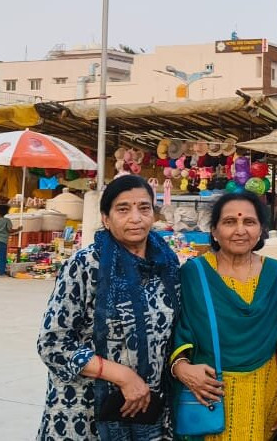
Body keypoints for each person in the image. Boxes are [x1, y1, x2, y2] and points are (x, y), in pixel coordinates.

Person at [37, 175, 180, 440]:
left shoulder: (167, 266)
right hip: (85, 409)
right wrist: (123, 376)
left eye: (144, 208)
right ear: (106, 218)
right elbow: (52, 344)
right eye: (123, 209)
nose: (135, 217)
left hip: (149, 409)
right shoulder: (85, 265)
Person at [171, 191, 277, 440]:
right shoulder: (195, 273)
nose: (240, 230)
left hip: (268, 392)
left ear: (260, 230)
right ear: (214, 231)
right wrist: (181, 368)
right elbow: (176, 328)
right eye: (229, 222)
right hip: (212, 394)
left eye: (249, 222)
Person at [0, 204, 21, 277]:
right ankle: (0, 273)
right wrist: (18, 229)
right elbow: (10, 230)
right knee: (2, 257)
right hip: (2, 240)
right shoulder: (7, 220)